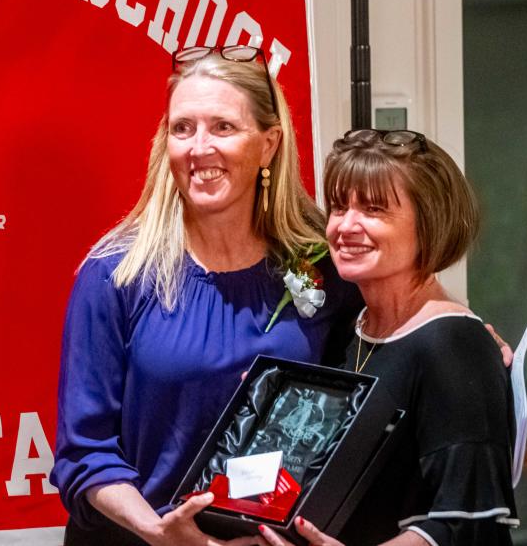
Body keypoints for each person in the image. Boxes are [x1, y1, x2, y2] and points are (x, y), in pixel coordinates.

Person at [49, 45, 362, 546]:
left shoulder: (323, 263)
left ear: (268, 144)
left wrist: (462, 331)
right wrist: (161, 531)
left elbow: (379, 362)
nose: (199, 148)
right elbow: (84, 453)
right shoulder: (116, 273)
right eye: (182, 128)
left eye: (223, 127)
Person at [260, 129, 517, 546]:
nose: (346, 225)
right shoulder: (349, 328)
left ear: (429, 223)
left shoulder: (456, 344)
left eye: (374, 209)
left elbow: (467, 520)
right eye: (340, 206)